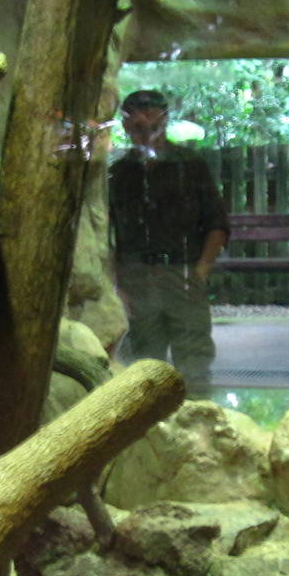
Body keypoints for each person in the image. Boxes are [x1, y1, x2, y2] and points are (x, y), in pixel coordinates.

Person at [108, 89, 230, 397]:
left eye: (152, 122)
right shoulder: (119, 174)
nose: (145, 131)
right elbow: (108, 235)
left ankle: (199, 416)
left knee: (194, 365)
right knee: (143, 370)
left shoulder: (190, 165)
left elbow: (217, 223)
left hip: (183, 273)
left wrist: (200, 271)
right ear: (125, 126)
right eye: (137, 124)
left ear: (164, 120)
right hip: (137, 279)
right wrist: (117, 286)